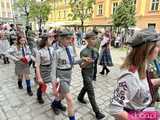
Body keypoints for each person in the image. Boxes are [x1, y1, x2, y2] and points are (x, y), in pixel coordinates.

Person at [109, 29, 160, 120]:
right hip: (136, 115)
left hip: (145, 111)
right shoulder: (130, 76)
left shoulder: (142, 65)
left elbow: (141, 86)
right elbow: (115, 109)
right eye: (157, 45)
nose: (159, 49)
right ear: (148, 49)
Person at [51, 31, 91, 120]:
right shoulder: (56, 52)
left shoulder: (70, 49)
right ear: (61, 39)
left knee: (61, 95)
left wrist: (82, 59)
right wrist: (54, 86)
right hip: (61, 77)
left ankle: (55, 104)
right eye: (67, 39)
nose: (70, 41)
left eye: (71, 39)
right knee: (70, 100)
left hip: (69, 75)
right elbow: (53, 70)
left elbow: (72, 62)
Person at [77, 32, 105, 119]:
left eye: (95, 38)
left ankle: (80, 97)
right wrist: (86, 62)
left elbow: (95, 61)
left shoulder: (96, 51)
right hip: (85, 72)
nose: (95, 41)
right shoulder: (83, 51)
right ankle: (97, 112)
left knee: (86, 86)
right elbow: (81, 66)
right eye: (93, 39)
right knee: (91, 91)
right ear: (87, 40)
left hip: (92, 71)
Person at [35, 33, 54, 104]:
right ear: (45, 41)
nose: (52, 40)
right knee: (42, 85)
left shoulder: (52, 49)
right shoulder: (39, 52)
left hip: (51, 69)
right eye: (50, 39)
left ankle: (55, 100)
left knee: (54, 83)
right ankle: (39, 96)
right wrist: (39, 77)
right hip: (43, 70)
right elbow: (37, 66)